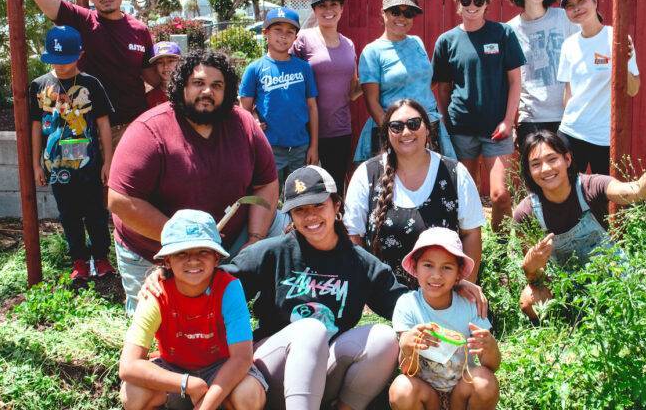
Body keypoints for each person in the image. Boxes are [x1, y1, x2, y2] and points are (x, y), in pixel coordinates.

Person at [142, 166, 488, 409]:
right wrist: (165, 276)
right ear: (289, 217)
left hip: (325, 369)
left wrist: (454, 289)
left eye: (318, 206)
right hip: (269, 369)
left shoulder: (360, 263)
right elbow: (216, 280)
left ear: (337, 206)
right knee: (308, 329)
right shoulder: (272, 252)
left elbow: (407, 305)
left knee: (383, 338)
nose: (310, 217)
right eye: (299, 211)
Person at [108, 50, 285, 313]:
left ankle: (271, 308)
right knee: (156, 328)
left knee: (282, 225)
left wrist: (256, 238)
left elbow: (266, 183)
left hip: (228, 238)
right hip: (153, 247)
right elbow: (120, 201)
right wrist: (187, 243)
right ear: (182, 87)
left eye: (217, 85)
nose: (207, 92)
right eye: (198, 83)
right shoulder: (149, 130)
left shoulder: (244, 125)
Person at [514, 130, 646, 320]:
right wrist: (531, 268)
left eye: (552, 159)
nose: (546, 169)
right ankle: (563, 325)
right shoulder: (526, 213)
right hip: (567, 287)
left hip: (614, 276)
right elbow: (535, 279)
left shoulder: (591, 186)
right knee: (528, 300)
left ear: (567, 159)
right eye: (536, 164)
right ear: (529, 172)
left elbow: (637, 191)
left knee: (640, 301)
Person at [119, 210, 267, 410]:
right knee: (132, 393)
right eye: (182, 253)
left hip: (222, 369)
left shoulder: (229, 288)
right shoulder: (155, 293)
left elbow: (241, 358)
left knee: (248, 394)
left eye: (203, 251)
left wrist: (205, 406)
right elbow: (128, 365)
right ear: (167, 261)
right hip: (175, 371)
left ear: (216, 258)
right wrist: (187, 384)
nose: (193, 260)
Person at [20, 0, 158, 146]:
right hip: (88, 130)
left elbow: (152, 77)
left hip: (132, 128)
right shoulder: (82, 21)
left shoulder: (140, 30)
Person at [344, 100, 485, 288]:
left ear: (427, 129)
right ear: (386, 133)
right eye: (396, 127)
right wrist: (364, 289)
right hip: (384, 299)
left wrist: (464, 288)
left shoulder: (455, 173)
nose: (406, 132)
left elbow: (471, 233)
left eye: (414, 124)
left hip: (442, 297)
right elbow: (353, 236)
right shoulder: (367, 174)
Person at [432, 0, 526, 232]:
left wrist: (508, 120)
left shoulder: (503, 33)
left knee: (500, 195)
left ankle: (501, 250)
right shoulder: (446, 41)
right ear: (457, 4)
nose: (472, 5)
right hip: (461, 128)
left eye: (478, 0)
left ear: (487, 4)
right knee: (466, 195)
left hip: (497, 130)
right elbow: (441, 87)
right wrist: (446, 121)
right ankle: (472, 246)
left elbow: (515, 82)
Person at [30, 25, 115, 280]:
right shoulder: (39, 85)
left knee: (96, 213)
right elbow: (36, 127)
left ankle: (100, 258)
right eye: (54, 60)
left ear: (79, 55)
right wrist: (36, 165)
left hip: (89, 166)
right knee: (68, 214)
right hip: (57, 168)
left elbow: (102, 124)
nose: (60, 66)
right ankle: (78, 261)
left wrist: (108, 161)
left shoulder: (91, 84)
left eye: (65, 60)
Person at [389, 227, 500, 410]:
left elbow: (491, 367)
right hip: (426, 394)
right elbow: (408, 370)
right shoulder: (407, 305)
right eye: (428, 265)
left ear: (459, 274)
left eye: (447, 267)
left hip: (462, 389)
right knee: (401, 389)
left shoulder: (469, 304)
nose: (436, 275)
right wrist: (407, 347)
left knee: (485, 382)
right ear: (415, 267)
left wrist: (490, 348)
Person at [355, 0, 456, 163]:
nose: (402, 18)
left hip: (429, 128)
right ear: (383, 13)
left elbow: (422, 81)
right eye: (395, 11)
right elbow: (372, 103)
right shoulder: (372, 51)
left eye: (408, 13)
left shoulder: (416, 43)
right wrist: (394, 136)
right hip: (397, 133)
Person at [557, 0, 640, 175]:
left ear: (595, 1)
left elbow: (633, 89)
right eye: (570, 6)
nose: (576, 8)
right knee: (564, 193)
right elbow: (568, 94)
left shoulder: (617, 38)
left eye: (581, 1)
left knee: (603, 198)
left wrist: (622, 63)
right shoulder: (568, 45)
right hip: (571, 130)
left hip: (603, 136)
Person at [292, 0, 361, 193]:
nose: (328, 10)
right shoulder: (303, 39)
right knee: (304, 191)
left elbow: (352, 92)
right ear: (314, 10)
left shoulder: (349, 44)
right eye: (322, 5)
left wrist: (373, 83)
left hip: (339, 129)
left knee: (335, 188)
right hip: (305, 131)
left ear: (341, 9)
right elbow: (287, 76)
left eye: (334, 4)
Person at [239, 7, 319, 185]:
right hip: (269, 147)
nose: (283, 36)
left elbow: (312, 106)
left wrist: (314, 146)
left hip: (301, 146)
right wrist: (253, 119)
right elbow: (243, 108)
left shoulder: (304, 68)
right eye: (277, 30)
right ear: (265, 33)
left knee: (299, 196)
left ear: (295, 37)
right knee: (269, 196)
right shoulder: (254, 68)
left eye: (289, 32)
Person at [506, 0, 579, 150]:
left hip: (567, 115)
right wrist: (512, 122)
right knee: (534, 174)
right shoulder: (510, 29)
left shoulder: (564, 19)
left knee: (567, 173)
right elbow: (508, 79)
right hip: (530, 117)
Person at [146, 41, 182, 108]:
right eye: (160, 62)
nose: (165, 66)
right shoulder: (150, 97)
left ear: (180, 62)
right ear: (155, 66)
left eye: (170, 61)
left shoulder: (188, 92)